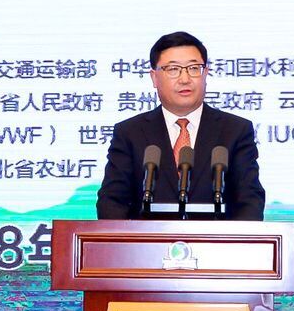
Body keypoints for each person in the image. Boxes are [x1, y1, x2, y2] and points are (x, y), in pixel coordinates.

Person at [95, 31, 266, 220]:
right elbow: (112, 202)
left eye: (193, 68)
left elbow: (250, 200)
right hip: (147, 240)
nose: (185, 79)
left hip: (217, 239)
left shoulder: (235, 130)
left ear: (205, 73)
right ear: (154, 77)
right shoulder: (129, 133)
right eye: (173, 69)